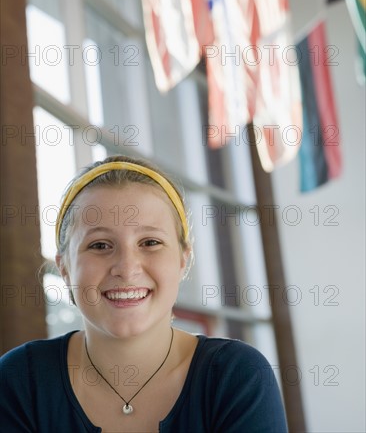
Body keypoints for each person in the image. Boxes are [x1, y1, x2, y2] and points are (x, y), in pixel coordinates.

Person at [0, 155, 288, 432]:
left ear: (182, 259)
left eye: (150, 242)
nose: (126, 268)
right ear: (64, 267)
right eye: (100, 245)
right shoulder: (20, 380)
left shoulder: (236, 376)